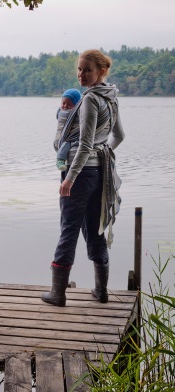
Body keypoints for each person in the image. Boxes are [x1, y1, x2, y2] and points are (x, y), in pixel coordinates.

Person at [42, 49, 125, 307]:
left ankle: (58, 294)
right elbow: (119, 136)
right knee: (95, 228)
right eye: (79, 69)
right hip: (100, 173)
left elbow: (86, 144)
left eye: (87, 69)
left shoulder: (89, 99)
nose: (81, 74)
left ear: (101, 72)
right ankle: (101, 292)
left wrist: (69, 179)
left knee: (69, 229)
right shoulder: (111, 97)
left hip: (79, 173)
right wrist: (104, 152)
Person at [54, 88, 82, 171]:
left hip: (68, 137)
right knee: (62, 144)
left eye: (69, 104)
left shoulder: (76, 112)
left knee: (66, 144)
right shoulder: (61, 110)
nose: (65, 106)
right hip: (60, 135)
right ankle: (60, 158)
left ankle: (61, 159)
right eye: (63, 103)